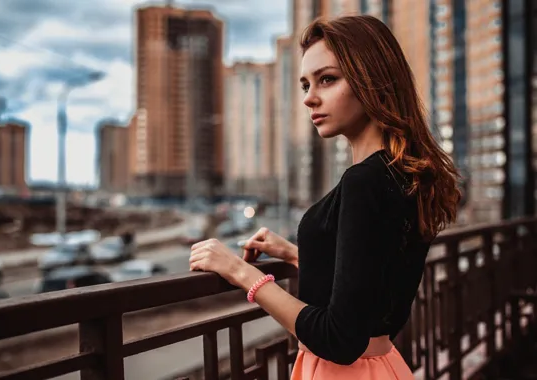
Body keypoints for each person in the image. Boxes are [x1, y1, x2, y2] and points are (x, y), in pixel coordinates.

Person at [189, 15, 461, 379]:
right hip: (383, 367)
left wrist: (240, 271)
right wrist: (297, 254)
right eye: (305, 84)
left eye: (327, 79)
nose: (309, 98)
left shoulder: (364, 182)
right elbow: (373, 282)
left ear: (373, 80)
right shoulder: (400, 174)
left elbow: (339, 338)